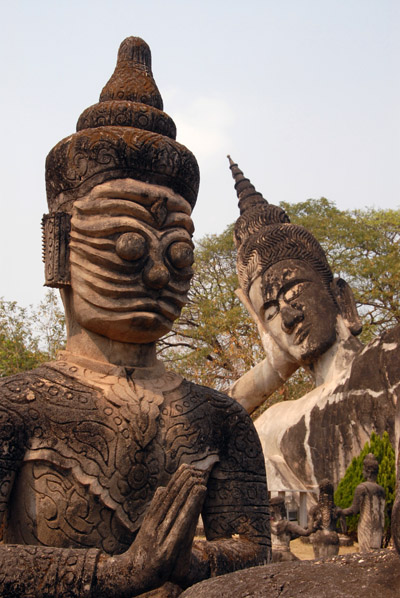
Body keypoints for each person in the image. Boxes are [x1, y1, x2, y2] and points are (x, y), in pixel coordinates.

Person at [0, 38, 270, 598]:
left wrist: (187, 562)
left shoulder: (219, 418)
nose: (156, 276)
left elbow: (253, 549)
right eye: (127, 244)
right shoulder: (14, 405)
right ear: (59, 246)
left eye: (178, 252)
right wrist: (118, 573)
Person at [227, 157, 397, 495]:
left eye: (293, 291)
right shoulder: (274, 424)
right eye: (271, 311)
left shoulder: (389, 357)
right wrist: (274, 366)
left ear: (341, 298)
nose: (288, 318)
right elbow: (197, 429)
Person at [339, 453, 385, 552]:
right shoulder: (381, 490)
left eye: (363, 469)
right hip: (379, 526)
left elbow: (354, 510)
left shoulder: (362, 488)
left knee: (366, 553)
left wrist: (340, 512)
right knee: (376, 554)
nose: (362, 472)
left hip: (366, 526)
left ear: (369, 472)